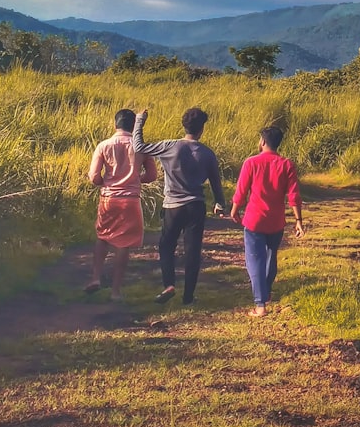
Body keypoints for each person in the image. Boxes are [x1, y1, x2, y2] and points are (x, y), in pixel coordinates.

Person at [133, 107, 226, 305]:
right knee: (192, 250)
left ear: (183, 126)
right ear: (201, 129)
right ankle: (188, 297)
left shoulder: (169, 146)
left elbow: (138, 146)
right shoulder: (208, 153)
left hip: (172, 206)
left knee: (167, 246)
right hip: (196, 206)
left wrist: (140, 120)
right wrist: (220, 203)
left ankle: (169, 284)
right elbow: (216, 183)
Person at [230, 125, 304, 318]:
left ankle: (260, 304)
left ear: (262, 142)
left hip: (254, 220)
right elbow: (294, 195)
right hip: (276, 221)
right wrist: (298, 221)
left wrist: (235, 210)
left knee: (255, 260)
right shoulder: (287, 165)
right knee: (271, 256)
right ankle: (266, 291)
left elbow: (241, 191)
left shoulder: (251, 163)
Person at [86, 108, 158, 301]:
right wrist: (134, 178)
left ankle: (95, 277)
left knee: (102, 237)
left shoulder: (104, 145)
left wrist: (106, 182)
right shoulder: (141, 147)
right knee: (123, 245)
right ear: (134, 125)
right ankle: (116, 291)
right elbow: (152, 175)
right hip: (131, 200)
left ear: (115, 124)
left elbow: (94, 177)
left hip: (109, 199)